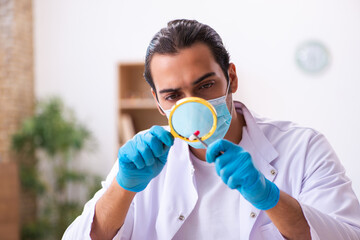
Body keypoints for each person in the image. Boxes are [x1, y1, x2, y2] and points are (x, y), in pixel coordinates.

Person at [63, 19, 360, 240]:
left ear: (231, 77)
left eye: (205, 85)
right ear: (157, 101)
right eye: (173, 96)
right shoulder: (143, 159)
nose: (192, 105)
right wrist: (123, 186)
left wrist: (269, 197)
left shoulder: (303, 148)